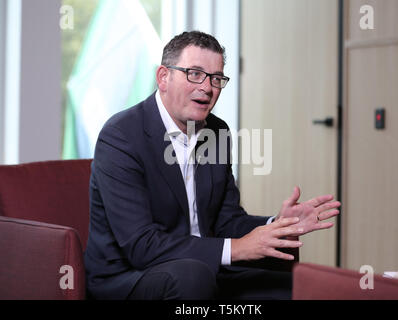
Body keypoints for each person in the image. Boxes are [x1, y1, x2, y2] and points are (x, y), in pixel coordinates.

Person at [84, 30, 341, 300]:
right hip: (129, 276)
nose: (207, 88)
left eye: (216, 78)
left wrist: (277, 224)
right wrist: (237, 249)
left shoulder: (217, 132)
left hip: (202, 267)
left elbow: (226, 220)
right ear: (164, 77)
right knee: (193, 278)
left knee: (294, 286)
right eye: (194, 74)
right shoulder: (121, 135)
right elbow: (141, 245)